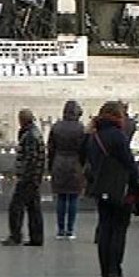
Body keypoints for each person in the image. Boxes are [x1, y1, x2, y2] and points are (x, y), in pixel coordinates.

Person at [84, 101, 139, 277]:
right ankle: (115, 269)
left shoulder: (94, 135)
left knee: (105, 227)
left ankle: (105, 269)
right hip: (120, 188)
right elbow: (129, 164)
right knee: (119, 230)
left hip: (101, 187)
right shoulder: (118, 136)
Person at [1, 109, 45, 246]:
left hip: (28, 178)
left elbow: (30, 159)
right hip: (34, 177)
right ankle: (36, 238)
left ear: (22, 120)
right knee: (33, 208)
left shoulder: (30, 135)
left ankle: (15, 236)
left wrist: (23, 176)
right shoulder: (34, 132)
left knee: (16, 207)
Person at [47, 100, 85, 239]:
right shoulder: (80, 128)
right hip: (75, 164)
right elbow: (84, 149)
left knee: (61, 197)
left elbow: (51, 148)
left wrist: (51, 166)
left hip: (59, 162)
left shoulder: (56, 127)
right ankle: (70, 230)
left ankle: (60, 229)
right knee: (73, 197)